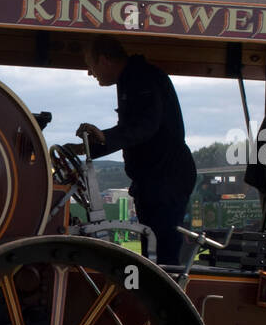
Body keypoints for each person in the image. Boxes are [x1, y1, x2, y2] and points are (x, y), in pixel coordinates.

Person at [74, 35, 197, 265]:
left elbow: (145, 125)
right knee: (154, 253)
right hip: (157, 180)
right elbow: (133, 130)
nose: (90, 72)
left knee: (162, 256)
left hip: (165, 180)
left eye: (90, 65)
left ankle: (163, 287)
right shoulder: (134, 78)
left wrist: (105, 137)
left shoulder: (142, 78)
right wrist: (86, 148)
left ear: (104, 59)